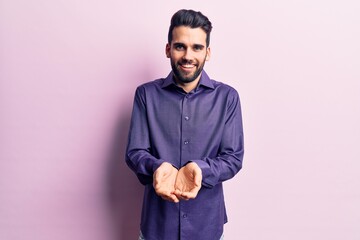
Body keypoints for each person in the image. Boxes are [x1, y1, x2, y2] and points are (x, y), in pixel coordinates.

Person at [125, 9, 244, 240]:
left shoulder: (227, 98)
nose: (188, 55)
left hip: (207, 227)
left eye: (197, 47)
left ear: (207, 53)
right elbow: (134, 152)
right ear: (168, 49)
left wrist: (200, 169)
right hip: (156, 228)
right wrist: (157, 167)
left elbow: (233, 157)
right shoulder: (146, 95)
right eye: (180, 46)